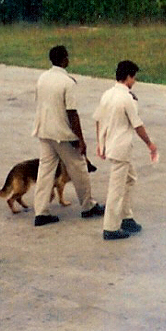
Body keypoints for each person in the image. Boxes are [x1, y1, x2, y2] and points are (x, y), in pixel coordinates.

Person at [32, 45, 104, 227]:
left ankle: (41, 212)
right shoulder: (68, 82)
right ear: (64, 59)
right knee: (79, 167)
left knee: (45, 170)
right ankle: (88, 206)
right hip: (63, 134)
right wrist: (79, 138)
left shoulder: (42, 78)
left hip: (44, 130)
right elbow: (72, 113)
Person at [93, 59, 158, 240]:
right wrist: (150, 144)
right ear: (128, 77)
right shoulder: (126, 98)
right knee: (116, 188)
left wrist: (100, 143)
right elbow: (138, 125)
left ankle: (126, 216)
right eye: (133, 77)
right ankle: (111, 227)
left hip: (111, 145)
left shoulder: (107, 94)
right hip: (121, 148)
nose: (134, 81)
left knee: (130, 179)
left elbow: (98, 120)